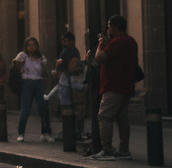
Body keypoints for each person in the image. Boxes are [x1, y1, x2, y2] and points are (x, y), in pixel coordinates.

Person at [92, 15, 139, 160]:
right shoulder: (131, 41)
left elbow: (99, 58)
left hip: (114, 85)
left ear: (114, 26)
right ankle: (124, 150)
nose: (108, 29)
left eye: (109, 26)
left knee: (104, 116)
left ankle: (107, 150)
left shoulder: (118, 41)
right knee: (121, 118)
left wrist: (101, 44)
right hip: (126, 85)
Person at [13, 36, 51, 142]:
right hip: (27, 83)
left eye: (33, 45)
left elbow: (44, 71)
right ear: (26, 46)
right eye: (29, 45)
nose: (31, 47)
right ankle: (20, 133)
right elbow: (15, 66)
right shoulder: (23, 55)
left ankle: (45, 133)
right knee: (25, 110)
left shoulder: (40, 57)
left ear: (36, 46)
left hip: (39, 83)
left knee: (43, 109)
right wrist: (18, 67)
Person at [48, 32, 85, 138]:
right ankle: (71, 131)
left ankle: (72, 132)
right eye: (62, 40)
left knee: (70, 107)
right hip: (67, 82)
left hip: (70, 82)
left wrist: (60, 66)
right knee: (69, 107)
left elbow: (72, 67)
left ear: (72, 41)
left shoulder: (72, 52)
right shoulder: (66, 52)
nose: (63, 42)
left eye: (65, 40)